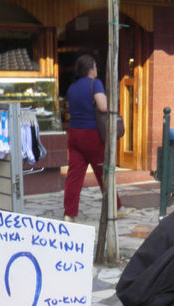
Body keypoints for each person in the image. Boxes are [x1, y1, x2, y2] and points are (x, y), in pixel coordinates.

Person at [63, 53, 120, 222]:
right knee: (105, 172)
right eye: (95, 66)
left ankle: (69, 213)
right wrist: (112, 101)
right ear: (90, 69)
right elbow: (102, 106)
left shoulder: (71, 88)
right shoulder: (95, 84)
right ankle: (115, 207)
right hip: (92, 134)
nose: (97, 69)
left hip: (74, 134)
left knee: (74, 177)